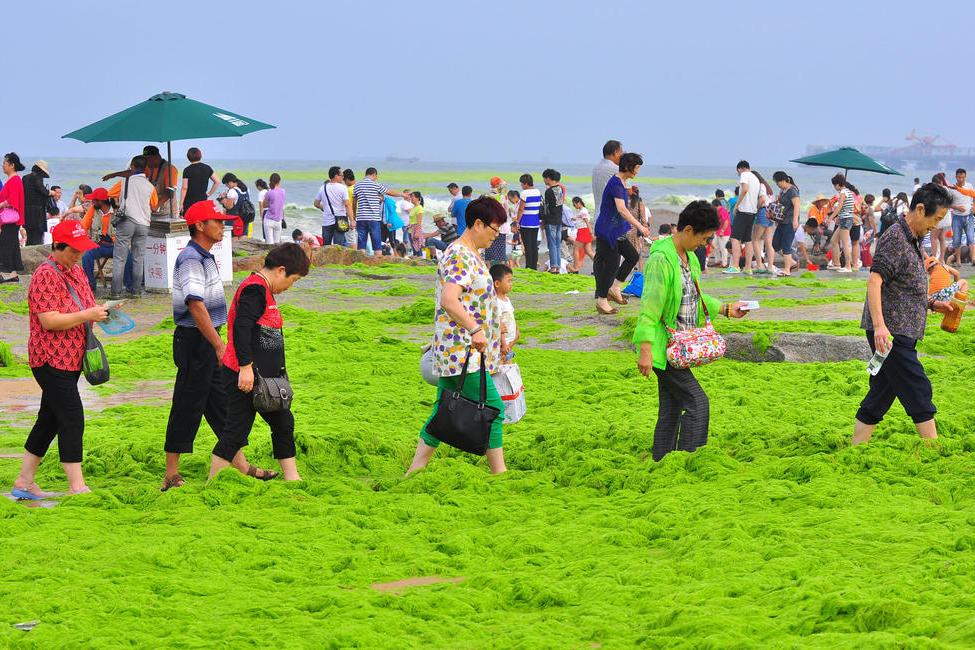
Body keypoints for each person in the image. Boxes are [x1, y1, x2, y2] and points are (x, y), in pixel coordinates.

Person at [162, 202, 268, 490]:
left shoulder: (205, 256)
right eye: (217, 222)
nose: (223, 226)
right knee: (186, 404)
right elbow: (195, 306)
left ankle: (242, 465)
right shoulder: (192, 259)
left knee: (220, 405)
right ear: (199, 226)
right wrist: (219, 346)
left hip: (207, 339)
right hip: (197, 340)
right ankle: (171, 473)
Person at [634, 200, 748, 461]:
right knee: (698, 403)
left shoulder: (689, 258)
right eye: (704, 238)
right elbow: (650, 307)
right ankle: (689, 459)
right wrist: (646, 350)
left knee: (671, 409)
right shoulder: (662, 259)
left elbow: (694, 297)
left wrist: (727, 309)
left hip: (682, 344)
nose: (705, 245)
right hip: (667, 347)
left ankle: (661, 460)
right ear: (687, 230)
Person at [406, 197, 508, 476]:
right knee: (494, 408)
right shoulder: (460, 255)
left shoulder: (471, 254)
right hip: (461, 350)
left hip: (464, 350)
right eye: (494, 229)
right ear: (477, 224)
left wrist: (496, 329)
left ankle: (414, 470)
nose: (495, 236)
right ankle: (500, 473)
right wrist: (475, 329)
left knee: (444, 410)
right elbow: (451, 300)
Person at [11, 221, 110, 499]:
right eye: (74, 250)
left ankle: (24, 481)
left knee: (49, 419)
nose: (79, 255)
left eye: (82, 250)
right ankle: (77, 486)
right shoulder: (45, 274)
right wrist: (87, 315)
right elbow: (49, 320)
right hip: (50, 359)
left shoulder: (76, 271)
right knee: (72, 417)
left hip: (73, 358)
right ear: (57, 246)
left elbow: (85, 307)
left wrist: (101, 312)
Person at [853, 183, 957, 445]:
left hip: (899, 329)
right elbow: (874, 281)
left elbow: (905, 286)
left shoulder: (913, 239)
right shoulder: (895, 239)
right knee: (917, 387)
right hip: (891, 332)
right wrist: (879, 328)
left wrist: (932, 304)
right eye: (936, 218)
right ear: (920, 209)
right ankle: (933, 449)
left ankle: (855, 448)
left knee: (881, 393)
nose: (937, 225)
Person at [210, 243, 310, 482]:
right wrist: (245, 368)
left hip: (266, 379)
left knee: (284, 422)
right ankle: (213, 484)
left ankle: (292, 478)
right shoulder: (254, 289)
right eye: (293, 279)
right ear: (280, 270)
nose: (290, 286)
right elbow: (241, 330)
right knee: (236, 431)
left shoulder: (264, 290)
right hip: (245, 376)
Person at [592, 152, 651, 315]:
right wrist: (640, 226)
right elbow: (622, 210)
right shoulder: (616, 184)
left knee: (632, 256)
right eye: (637, 167)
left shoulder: (622, 182)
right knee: (610, 266)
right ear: (628, 167)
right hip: (607, 231)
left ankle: (615, 287)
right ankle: (602, 301)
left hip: (616, 230)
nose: (638, 171)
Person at [111, 155, 154, 300]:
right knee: (138, 258)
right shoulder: (150, 186)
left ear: (132, 167)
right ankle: (136, 291)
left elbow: (110, 193)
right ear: (146, 168)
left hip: (127, 221)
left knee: (119, 258)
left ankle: (116, 292)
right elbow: (154, 205)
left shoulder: (125, 181)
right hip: (144, 224)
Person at [78, 188, 134, 294]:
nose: (92, 202)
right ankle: (90, 284)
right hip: (99, 245)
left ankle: (129, 285)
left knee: (129, 256)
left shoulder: (118, 211)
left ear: (100, 201)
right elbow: (83, 226)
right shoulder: (93, 210)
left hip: (116, 245)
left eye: (94, 200)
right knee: (86, 256)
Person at [352, 167, 404, 256]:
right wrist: (402, 194)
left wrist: (353, 215)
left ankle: (361, 263)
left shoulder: (357, 185)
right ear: (374, 175)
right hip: (374, 219)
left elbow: (354, 202)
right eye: (376, 176)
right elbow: (389, 192)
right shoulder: (376, 185)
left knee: (361, 244)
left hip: (361, 218)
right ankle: (378, 261)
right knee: (377, 244)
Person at [725, 160, 759, 274]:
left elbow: (744, 190)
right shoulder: (755, 178)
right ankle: (748, 268)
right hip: (752, 212)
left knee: (735, 238)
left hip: (743, 211)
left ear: (740, 169)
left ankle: (735, 266)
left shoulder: (744, 175)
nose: (739, 174)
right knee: (747, 240)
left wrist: (737, 205)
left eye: (738, 172)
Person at [0, 152, 26, 283]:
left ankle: (7, 273)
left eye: (4, 163)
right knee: (12, 244)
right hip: (10, 219)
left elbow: (12, 200)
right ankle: (13, 274)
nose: (2, 165)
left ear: (12, 165)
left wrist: (1, 204)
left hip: (10, 219)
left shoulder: (15, 180)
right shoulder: (12, 179)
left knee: (6, 244)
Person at [771, 172, 800, 276]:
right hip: (782, 221)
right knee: (775, 244)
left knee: (786, 245)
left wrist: (795, 220)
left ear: (783, 180)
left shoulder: (792, 190)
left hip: (790, 222)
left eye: (777, 182)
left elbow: (797, 205)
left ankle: (787, 269)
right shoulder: (783, 191)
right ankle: (792, 262)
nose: (777, 185)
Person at [314, 166, 352, 246]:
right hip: (341, 220)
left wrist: (325, 208)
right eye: (341, 175)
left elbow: (316, 204)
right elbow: (347, 205)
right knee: (338, 247)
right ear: (336, 176)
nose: (343, 177)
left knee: (326, 247)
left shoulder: (322, 188)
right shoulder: (343, 188)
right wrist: (352, 220)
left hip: (326, 221)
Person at [826, 173, 856, 272]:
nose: (834, 187)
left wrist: (831, 217)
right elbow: (847, 207)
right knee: (833, 240)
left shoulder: (843, 192)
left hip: (846, 219)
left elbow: (840, 206)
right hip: (846, 218)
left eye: (834, 185)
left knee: (845, 243)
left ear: (838, 184)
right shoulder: (849, 191)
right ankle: (837, 264)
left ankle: (848, 266)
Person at [514, 173, 542, 270]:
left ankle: (529, 266)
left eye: (522, 184)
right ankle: (534, 266)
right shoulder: (538, 191)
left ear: (526, 184)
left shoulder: (524, 193)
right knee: (534, 244)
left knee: (527, 245)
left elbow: (521, 209)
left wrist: (517, 221)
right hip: (535, 221)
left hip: (526, 221)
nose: (521, 186)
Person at [491, 264, 519, 361]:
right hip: (503, 343)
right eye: (508, 281)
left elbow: (511, 316)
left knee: (508, 363)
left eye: (511, 281)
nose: (511, 284)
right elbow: (500, 324)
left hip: (510, 340)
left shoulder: (506, 299)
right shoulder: (496, 301)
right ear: (497, 284)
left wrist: (517, 330)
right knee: (503, 366)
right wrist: (503, 343)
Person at [179, 147, 219, 214]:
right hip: (202, 201)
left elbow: (184, 188)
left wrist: (181, 203)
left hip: (189, 202)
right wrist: (209, 194)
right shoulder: (207, 168)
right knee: (200, 221)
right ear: (200, 155)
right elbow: (217, 181)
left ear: (188, 157)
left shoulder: (187, 170)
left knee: (190, 222)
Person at [592, 140, 623, 223]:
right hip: (610, 218)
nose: (622, 156)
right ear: (615, 152)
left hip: (597, 216)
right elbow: (626, 192)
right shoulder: (616, 169)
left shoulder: (595, 168)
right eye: (621, 153)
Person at [23, 160, 53, 245]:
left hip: (27, 210)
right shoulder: (37, 177)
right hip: (38, 211)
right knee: (38, 236)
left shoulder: (25, 178)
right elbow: (43, 191)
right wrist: (51, 192)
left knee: (30, 235)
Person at [949, 168, 975, 263]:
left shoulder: (969, 186)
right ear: (956, 177)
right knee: (956, 239)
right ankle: (958, 260)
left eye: (962, 177)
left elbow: (974, 197)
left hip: (969, 216)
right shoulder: (952, 189)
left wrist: (974, 207)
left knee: (971, 237)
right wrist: (957, 207)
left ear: (965, 177)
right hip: (956, 217)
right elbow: (948, 204)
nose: (961, 179)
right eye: (959, 177)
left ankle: (973, 259)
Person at [542, 169, 564, 273]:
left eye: (544, 178)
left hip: (551, 220)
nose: (544, 180)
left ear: (548, 178)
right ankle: (558, 266)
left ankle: (553, 267)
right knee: (557, 244)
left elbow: (547, 208)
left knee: (551, 244)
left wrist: (543, 219)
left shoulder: (549, 191)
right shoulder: (559, 189)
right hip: (559, 219)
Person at [484, 179, 509, 265]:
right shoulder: (502, 197)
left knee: (488, 247)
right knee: (501, 249)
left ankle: (488, 269)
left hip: (490, 224)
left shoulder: (487, 196)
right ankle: (501, 268)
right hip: (500, 225)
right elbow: (506, 210)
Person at [570, 196, 595, 273]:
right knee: (588, 251)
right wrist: (575, 218)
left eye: (575, 205)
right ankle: (601, 265)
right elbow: (582, 219)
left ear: (578, 203)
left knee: (576, 249)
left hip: (583, 231)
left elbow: (587, 221)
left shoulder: (583, 211)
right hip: (585, 231)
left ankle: (575, 268)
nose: (575, 206)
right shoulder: (583, 210)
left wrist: (591, 231)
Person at [625, 185, 650, 258]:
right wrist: (645, 228)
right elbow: (643, 218)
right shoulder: (639, 203)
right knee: (635, 251)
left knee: (621, 250)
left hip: (623, 228)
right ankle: (631, 268)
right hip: (634, 230)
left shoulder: (624, 202)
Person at [262, 173, 285, 244]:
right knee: (277, 244)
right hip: (278, 220)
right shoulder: (283, 191)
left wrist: (271, 204)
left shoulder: (269, 193)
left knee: (269, 243)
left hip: (269, 219)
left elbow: (264, 205)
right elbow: (281, 204)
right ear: (279, 181)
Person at [710, 199, 731, 268]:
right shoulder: (717, 211)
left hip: (724, 233)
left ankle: (724, 263)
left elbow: (726, 222)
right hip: (718, 232)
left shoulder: (723, 211)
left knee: (723, 248)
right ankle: (718, 261)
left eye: (712, 206)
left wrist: (722, 231)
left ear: (716, 205)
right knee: (714, 245)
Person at [407, 191, 426, 256]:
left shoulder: (419, 208)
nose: (411, 198)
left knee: (417, 249)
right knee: (414, 249)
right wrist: (409, 224)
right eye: (410, 197)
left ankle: (420, 263)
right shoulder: (414, 207)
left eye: (412, 197)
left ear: (418, 198)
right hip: (410, 230)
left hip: (415, 231)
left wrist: (417, 232)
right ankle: (416, 262)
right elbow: (412, 219)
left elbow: (419, 222)